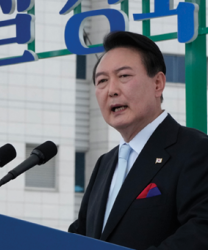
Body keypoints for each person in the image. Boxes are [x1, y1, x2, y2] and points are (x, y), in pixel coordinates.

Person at [68, 31, 208, 250]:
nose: (112, 90)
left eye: (124, 76)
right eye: (102, 81)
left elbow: (201, 231)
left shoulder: (196, 149)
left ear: (158, 84)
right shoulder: (105, 163)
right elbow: (81, 236)